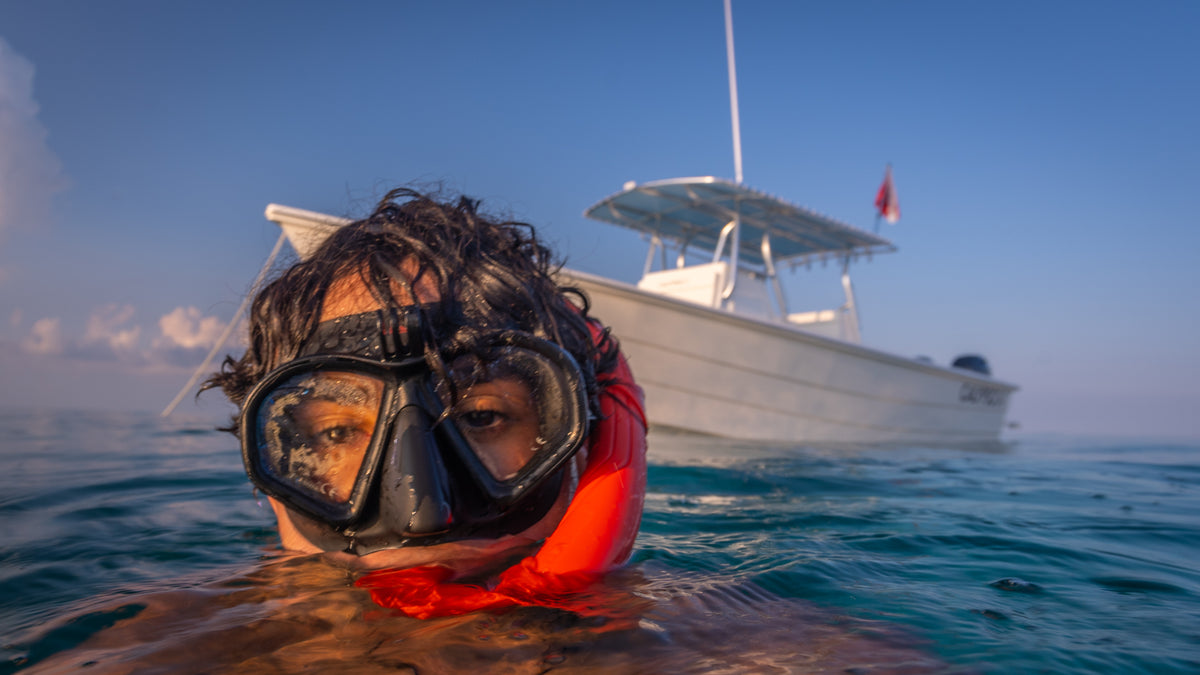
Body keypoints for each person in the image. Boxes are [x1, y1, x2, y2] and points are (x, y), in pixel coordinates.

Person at [205, 187, 648, 617]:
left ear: (581, 449)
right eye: (337, 432)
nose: (421, 515)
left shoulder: (698, 642)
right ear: (268, 482)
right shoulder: (165, 648)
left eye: (481, 415)